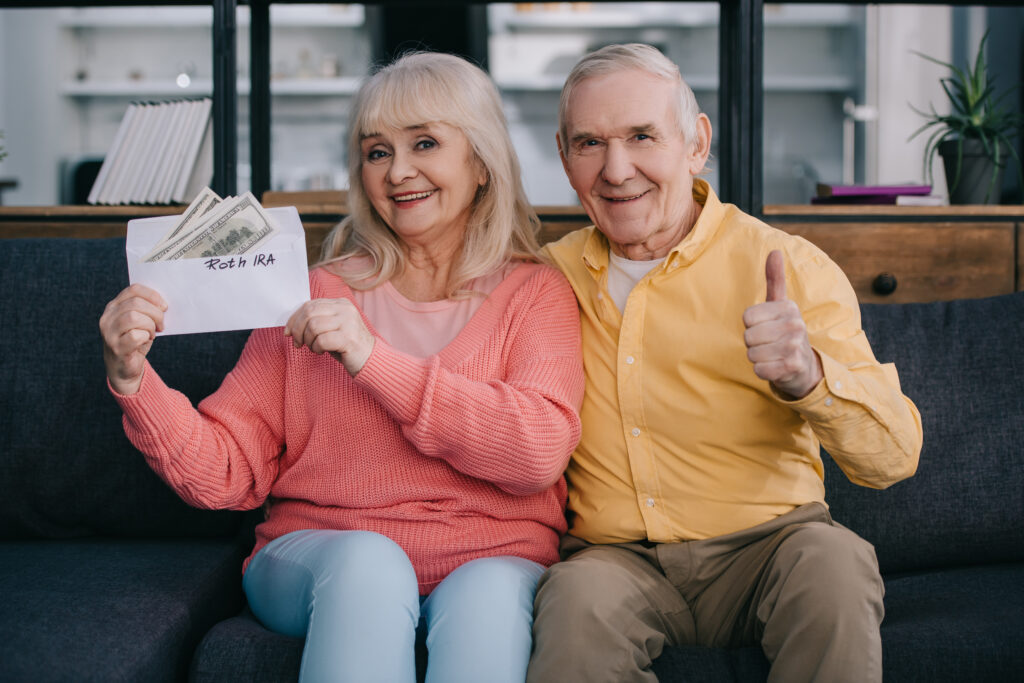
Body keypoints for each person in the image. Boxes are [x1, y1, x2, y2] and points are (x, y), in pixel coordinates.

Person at [100, 52, 584, 683]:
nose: (398, 171)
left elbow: (536, 453)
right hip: (322, 555)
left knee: (488, 602)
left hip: (495, 556)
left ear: (483, 161)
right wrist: (132, 380)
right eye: (376, 151)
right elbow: (224, 473)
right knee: (367, 564)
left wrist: (373, 360)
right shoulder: (311, 292)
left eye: (426, 144)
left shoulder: (536, 293)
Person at [526, 43, 923, 683]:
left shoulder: (788, 266)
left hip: (771, 549)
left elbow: (894, 456)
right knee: (573, 603)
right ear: (564, 156)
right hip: (614, 561)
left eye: (641, 136)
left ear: (695, 142)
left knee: (835, 565)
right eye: (589, 143)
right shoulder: (546, 279)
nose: (616, 168)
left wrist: (809, 378)